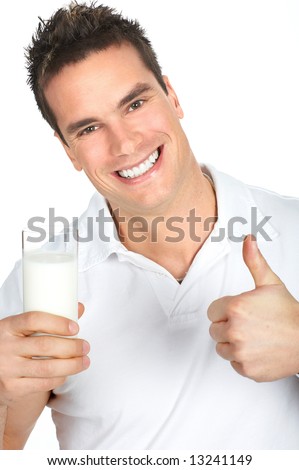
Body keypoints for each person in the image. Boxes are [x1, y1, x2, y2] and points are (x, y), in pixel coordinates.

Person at [1, 1, 299, 450]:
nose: (125, 144)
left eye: (135, 103)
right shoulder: (39, 282)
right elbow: (9, 441)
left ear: (173, 97)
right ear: (67, 150)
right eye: (88, 129)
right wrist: (5, 397)